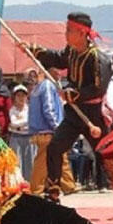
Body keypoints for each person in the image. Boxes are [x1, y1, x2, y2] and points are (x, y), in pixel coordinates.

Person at [29, 13, 110, 201]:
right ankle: (53, 190)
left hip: (94, 114)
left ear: (82, 33)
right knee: (55, 147)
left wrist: (75, 93)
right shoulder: (72, 51)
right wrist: (37, 51)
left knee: (106, 154)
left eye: (69, 30)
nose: (65, 34)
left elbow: (98, 88)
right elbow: (58, 59)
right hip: (74, 112)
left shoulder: (98, 59)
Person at [27, 66, 76, 195]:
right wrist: (57, 127)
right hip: (47, 130)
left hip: (45, 129)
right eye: (57, 70)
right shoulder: (48, 85)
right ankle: (35, 188)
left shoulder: (39, 87)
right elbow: (49, 109)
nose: (59, 73)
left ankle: (68, 184)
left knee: (61, 156)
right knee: (43, 161)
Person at [7, 84, 33, 181]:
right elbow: (14, 123)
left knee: (30, 161)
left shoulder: (30, 109)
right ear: (14, 97)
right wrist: (24, 124)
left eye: (23, 95)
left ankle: (29, 184)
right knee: (17, 162)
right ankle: (18, 183)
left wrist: (19, 125)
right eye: (18, 95)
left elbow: (30, 122)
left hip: (29, 137)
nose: (21, 98)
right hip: (16, 137)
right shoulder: (12, 110)